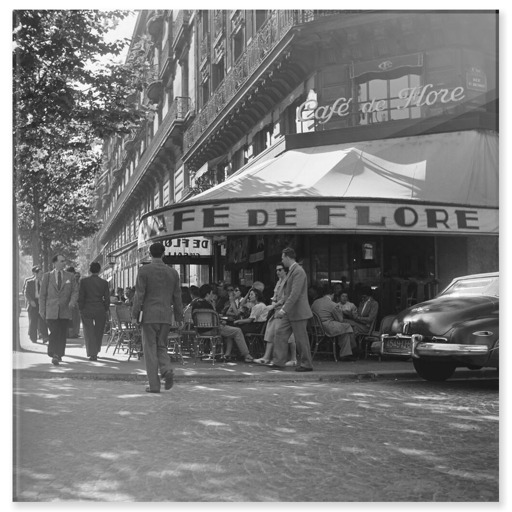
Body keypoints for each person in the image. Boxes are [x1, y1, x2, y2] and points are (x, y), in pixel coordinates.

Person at [132, 242, 183, 394]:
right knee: (161, 346)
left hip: (149, 316)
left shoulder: (144, 270)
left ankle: (154, 385)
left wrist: (135, 315)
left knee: (149, 349)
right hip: (166, 316)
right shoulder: (173, 273)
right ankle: (166, 370)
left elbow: (139, 295)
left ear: (149, 253)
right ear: (163, 253)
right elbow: (177, 296)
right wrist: (179, 317)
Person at [271, 247, 314, 372]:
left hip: (298, 312)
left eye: (283, 258)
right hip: (291, 311)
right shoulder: (293, 270)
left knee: (301, 340)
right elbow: (290, 294)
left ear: (288, 257)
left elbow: (295, 294)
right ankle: (278, 361)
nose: (282, 260)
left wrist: (283, 310)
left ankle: (307, 364)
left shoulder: (298, 271)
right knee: (280, 334)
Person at [191, 284, 254, 363]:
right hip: (214, 329)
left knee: (230, 331)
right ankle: (246, 355)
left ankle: (227, 354)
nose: (212, 295)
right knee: (237, 331)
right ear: (208, 294)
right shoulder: (208, 304)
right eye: (211, 293)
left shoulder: (195, 304)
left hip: (200, 330)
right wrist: (221, 321)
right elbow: (214, 317)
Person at [39, 254, 79, 366]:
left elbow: (75, 291)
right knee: (54, 332)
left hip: (65, 310)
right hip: (51, 310)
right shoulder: (47, 276)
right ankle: (54, 353)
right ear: (55, 263)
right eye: (61, 261)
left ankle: (58, 354)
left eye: (64, 261)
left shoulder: (70, 276)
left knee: (62, 333)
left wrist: (72, 302)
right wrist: (41, 310)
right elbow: (42, 295)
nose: (63, 263)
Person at [254, 264, 297, 366]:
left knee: (289, 336)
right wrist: (273, 302)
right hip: (277, 311)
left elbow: (286, 298)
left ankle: (293, 359)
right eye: (276, 270)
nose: (277, 272)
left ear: (285, 271)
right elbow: (276, 296)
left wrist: (273, 305)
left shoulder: (288, 281)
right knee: (271, 333)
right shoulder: (279, 282)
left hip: (285, 311)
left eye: (280, 270)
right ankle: (266, 357)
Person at [311, 284, 355, 360]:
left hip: (315, 327)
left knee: (344, 330)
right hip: (326, 327)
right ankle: (348, 352)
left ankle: (347, 351)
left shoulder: (315, 302)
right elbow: (340, 320)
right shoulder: (333, 304)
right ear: (333, 295)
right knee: (347, 326)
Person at [78, 262, 110, 361]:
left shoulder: (84, 281)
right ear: (100, 270)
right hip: (99, 308)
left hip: (87, 308)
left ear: (90, 270)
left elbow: (81, 296)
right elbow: (107, 298)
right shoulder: (104, 283)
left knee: (88, 331)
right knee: (99, 331)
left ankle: (92, 353)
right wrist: (105, 308)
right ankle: (96, 350)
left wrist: (81, 308)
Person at [23, 265, 49, 343]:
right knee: (33, 321)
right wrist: (31, 301)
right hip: (33, 303)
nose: (42, 275)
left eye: (42, 273)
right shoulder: (29, 282)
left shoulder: (45, 283)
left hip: (41, 303)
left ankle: (45, 337)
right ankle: (33, 338)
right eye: (40, 273)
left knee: (43, 320)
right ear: (36, 274)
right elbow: (26, 293)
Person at [67, 267, 81, 338]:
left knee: (75, 318)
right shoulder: (68, 281)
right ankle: (70, 333)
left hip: (75, 302)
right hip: (70, 302)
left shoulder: (74, 281)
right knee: (70, 318)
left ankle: (74, 332)